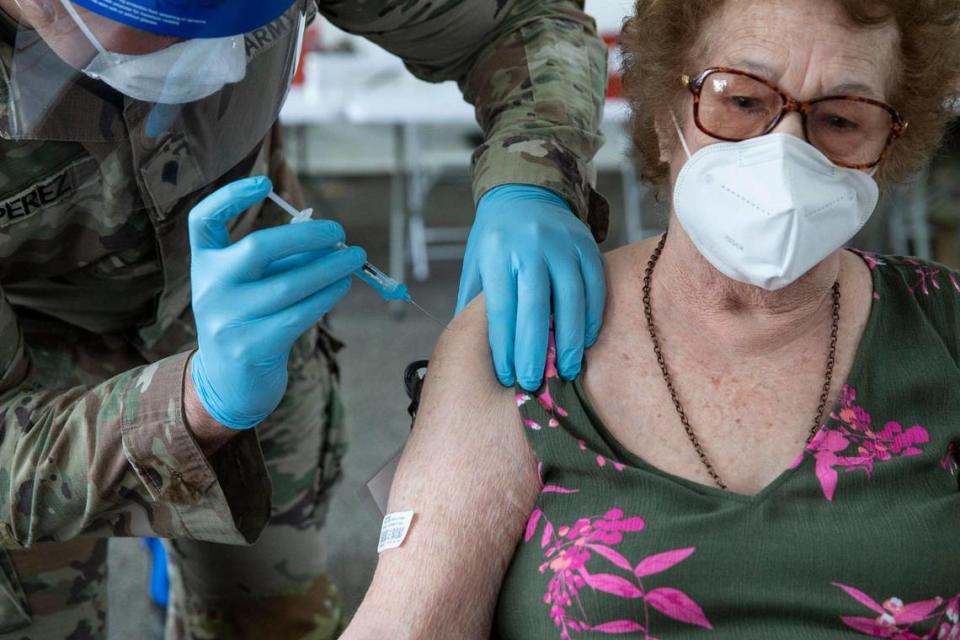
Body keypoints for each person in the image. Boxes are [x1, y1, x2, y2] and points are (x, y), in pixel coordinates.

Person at [343, 0, 960, 637]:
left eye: (840, 118)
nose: (785, 154)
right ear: (668, 121)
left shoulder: (946, 328)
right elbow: (407, 625)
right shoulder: (536, 330)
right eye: (741, 101)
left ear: (889, 146)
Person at [0, 0, 609, 638]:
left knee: (273, 618)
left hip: (260, 329)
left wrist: (532, 178)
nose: (224, 54)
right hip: (32, 386)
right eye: (176, 22)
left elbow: (527, 18)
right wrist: (193, 404)